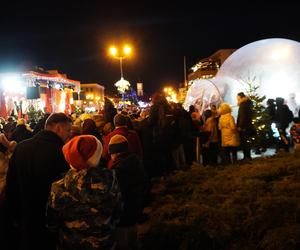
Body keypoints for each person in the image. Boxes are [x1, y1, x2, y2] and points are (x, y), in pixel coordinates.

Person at [4, 112, 72, 250]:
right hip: (49, 221)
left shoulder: (22, 147)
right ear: (58, 128)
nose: (69, 134)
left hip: (25, 216)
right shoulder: (62, 152)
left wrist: (14, 215)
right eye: (68, 130)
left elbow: (11, 184)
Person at [47, 135, 122, 250]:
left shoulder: (59, 188)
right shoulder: (111, 181)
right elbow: (117, 213)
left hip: (71, 243)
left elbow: (52, 222)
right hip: (104, 242)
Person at [108, 134, 147, 250]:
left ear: (114, 152)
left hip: (123, 216)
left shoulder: (118, 170)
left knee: (123, 243)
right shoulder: (135, 161)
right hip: (135, 210)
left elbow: (118, 194)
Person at [236, 92, 255, 161]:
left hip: (244, 127)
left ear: (240, 97)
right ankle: (247, 156)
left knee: (244, 142)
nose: (236, 99)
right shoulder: (247, 104)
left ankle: (246, 157)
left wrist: (240, 126)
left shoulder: (243, 105)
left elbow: (242, 117)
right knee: (246, 142)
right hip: (248, 125)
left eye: (237, 97)